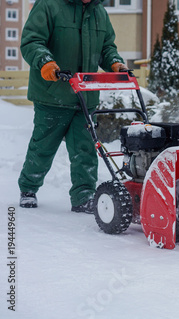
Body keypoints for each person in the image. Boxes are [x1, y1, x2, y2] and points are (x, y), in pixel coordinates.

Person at [18, 0, 128, 213]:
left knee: (85, 150)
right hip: (53, 94)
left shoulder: (99, 12)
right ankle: (29, 188)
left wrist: (114, 62)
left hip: (85, 96)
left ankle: (84, 196)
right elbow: (32, 41)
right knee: (43, 147)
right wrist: (45, 61)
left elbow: (107, 47)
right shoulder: (49, 5)